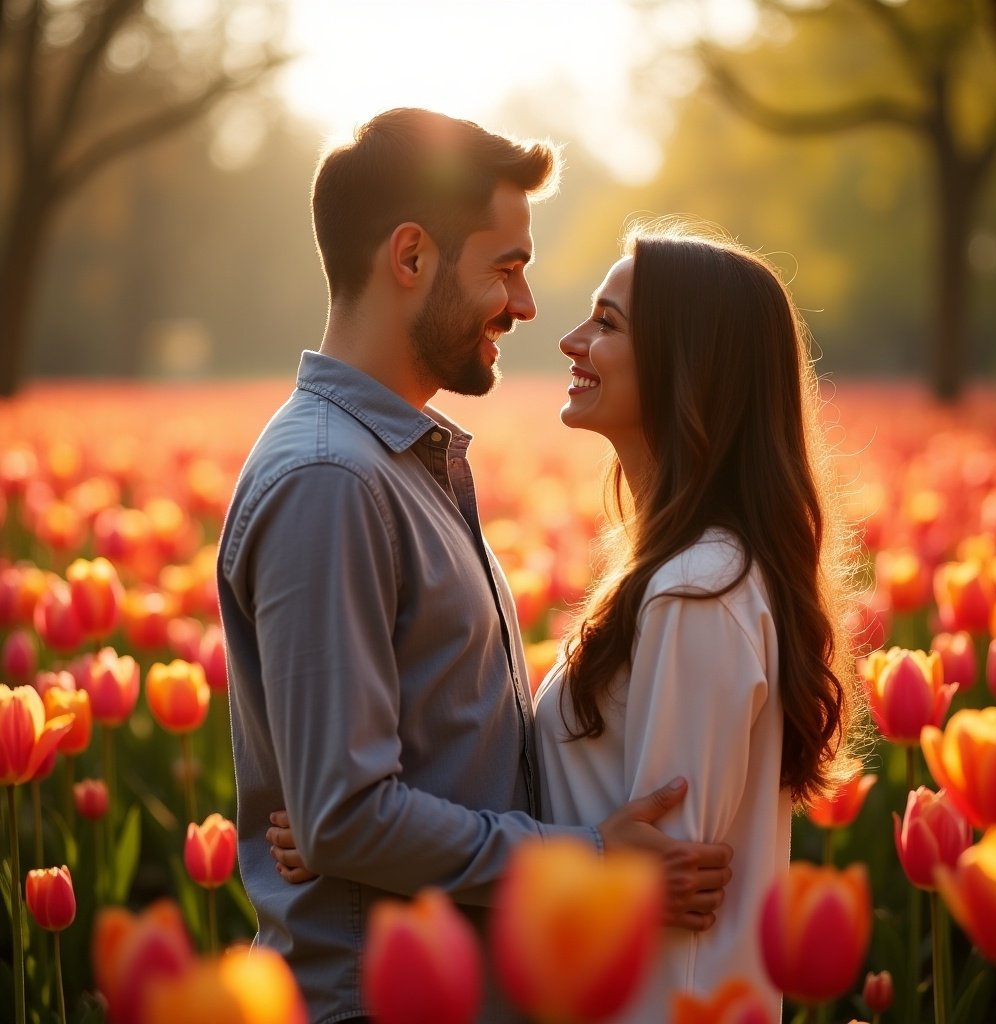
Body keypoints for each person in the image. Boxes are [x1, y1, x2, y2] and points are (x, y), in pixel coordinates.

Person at [217, 108, 733, 1024]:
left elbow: (359, 802)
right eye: (507, 267)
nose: (528, 306)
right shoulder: (334, 481)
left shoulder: (397, 465)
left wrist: (344, 818)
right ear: (410, 257)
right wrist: (590, 860)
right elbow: (347, 817)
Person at [531, 219, 863, 1019]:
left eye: (608, 323)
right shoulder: (693, 574)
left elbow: (672, 904)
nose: (573, 339)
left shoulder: (697, 590)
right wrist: (366, 828)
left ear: (690, 367)